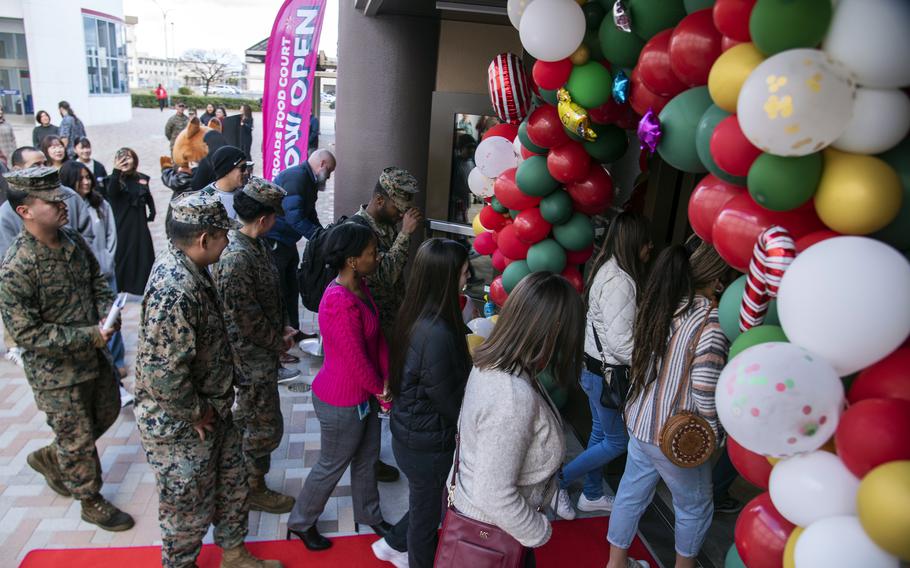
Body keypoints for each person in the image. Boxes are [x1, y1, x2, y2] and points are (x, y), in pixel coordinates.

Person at [134, 192, 281, 568]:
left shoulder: (191, 267)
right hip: (181, 425)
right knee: (188, 509)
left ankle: (233, 554)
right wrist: (197, 413)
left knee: (232, 484)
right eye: (222, 235)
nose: (228, 241)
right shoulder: (175, 290)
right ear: (203, 239)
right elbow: (162, 375)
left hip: (212, 409)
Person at [0, 166, 134, 532]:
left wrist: (109, 311)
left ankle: (53, 456)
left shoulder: (72, 239)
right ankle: (90, 499)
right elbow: (25, 332)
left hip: (94, 356)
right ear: (24, 211)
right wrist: (89, 335)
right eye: (51, 200)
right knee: (77, 439)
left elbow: (96, 279)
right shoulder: (16, 266)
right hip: (56, 374)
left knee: (105, 414)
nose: (63, 204)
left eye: (61, 196)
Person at [606, 240, 731, 568]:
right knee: (695, 508)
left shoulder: (667, 302)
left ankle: (615, 564)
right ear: (719, 279)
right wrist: (715, 436)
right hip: (675, 437)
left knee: (631, 496)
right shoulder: (712, 322)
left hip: (641, 422)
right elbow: (705, 388)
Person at [453, 272, 583, 566]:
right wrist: (539, 532)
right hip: (494, 537)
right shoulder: (511, 395)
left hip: (489, 529)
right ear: (553, 331)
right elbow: (493, 493)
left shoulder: (496, 363)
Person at [286, 222, 392, 552]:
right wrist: (379, 388)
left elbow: (377, 340)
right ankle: (301, 522)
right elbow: (355, 359)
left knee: (366, 458)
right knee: (332, 464)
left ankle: (369, 513)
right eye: (372, 253)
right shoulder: (337, 301)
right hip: (341, 400)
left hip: (367, 395)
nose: (377, 257)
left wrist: (385, 379)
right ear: (351, 260)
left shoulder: (362, 286)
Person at [371, 239, 472, 568]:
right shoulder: (437, 332)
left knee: (427, 503)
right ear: (445, 277)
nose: (468, 278)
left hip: (414, 434)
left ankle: (391, 544)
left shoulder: (418, 313)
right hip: (426, 443)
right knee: (428, 520)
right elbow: (450, 401)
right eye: (464, 272)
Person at [553, 212, 652, 520]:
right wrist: (652, 360)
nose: (650, 248)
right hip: (604, 375)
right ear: (635, 243)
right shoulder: (621, 282)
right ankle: (557, 482)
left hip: (593, 370)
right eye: (647, 242)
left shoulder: (607, 269)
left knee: (601, 433)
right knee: (616, 441)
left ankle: (592, 494)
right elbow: (622, 344)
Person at [211, 178, 299, 516]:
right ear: (263, 219)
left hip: (261, 353)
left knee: (261, 421)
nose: (276, 221)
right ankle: (251, 488)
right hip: (248, 359)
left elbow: (263, 301)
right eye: (273, 216)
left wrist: (281, 328)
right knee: (259, 425)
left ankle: (249, 482)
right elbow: (245, 318)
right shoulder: (236, 257)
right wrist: (278, 340)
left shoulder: (255, 244)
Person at [58, 161, 128, 399]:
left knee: (113, 318)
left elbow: (111, 234)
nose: (86, 182)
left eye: (88, 177)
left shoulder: (101, 205)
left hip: (106, 270)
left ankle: (117, 362)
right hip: (87, 275)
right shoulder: (66, 211)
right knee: (99, 322)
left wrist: (107, 257)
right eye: (80, 179)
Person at [265, 149, 335, 330]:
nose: (328, 178)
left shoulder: (307, 180)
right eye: (329, 173)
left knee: (291, 287)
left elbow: (309, 214)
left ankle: (294, 331)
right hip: (276, 241)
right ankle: (282, 339)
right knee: (280, 289)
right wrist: (318, 238)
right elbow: (294, 217)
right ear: (322, 165)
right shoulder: (297, 178)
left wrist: (321, 234)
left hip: (285, 241)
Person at [353, 167, 423, 338]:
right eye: (397, 209)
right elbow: (387, 275)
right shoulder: (358, 231)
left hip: (393, 320)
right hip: (373, 325)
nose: (401, 215)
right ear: (379, 200)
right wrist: (405, 233)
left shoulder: (387, 224)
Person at [0, 146, 94, 260]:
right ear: (17, 169)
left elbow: (87, 235)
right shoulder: (6, 213)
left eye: (45, 163)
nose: (43, 169)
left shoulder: (70, 196)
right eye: (36, 165)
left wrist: (78, 259)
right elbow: (7, 255)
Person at [105, 147, 156, 295]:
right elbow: (112, 193)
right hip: (122, 225)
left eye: (128, 157)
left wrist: (152, 211)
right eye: (121, 158)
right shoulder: (113, 180)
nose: (125, 160)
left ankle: (143, 287)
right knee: (122, 256)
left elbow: (148, 197)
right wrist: (116, 171)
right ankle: (121, 286)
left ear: (135, 160)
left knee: (143, 255)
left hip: (140, 225)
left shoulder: (142, 178)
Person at [198, 145, 249, 219]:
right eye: (243, 167)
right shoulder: (205, 199)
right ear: (227, 170)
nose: (246, 172)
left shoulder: (247, 193)